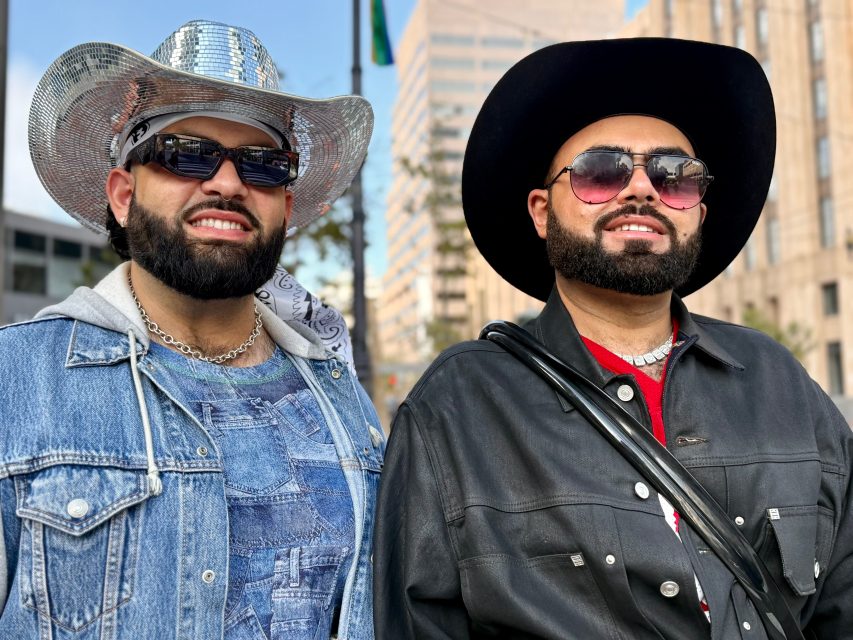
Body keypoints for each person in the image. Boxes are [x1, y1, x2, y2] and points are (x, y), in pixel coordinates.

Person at [374, 38, 852, 639]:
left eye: (674, 176)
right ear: (543, 211)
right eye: (602, 172)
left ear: (698, 211)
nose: (642, 190)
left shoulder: (779, 380)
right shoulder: (458, 405)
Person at [0, 20, 384, 639]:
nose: (227, 183)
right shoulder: (16, 382)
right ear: (124, 195)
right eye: (187, 154)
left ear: (284, 209)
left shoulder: (340, 399)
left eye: (263, 166)